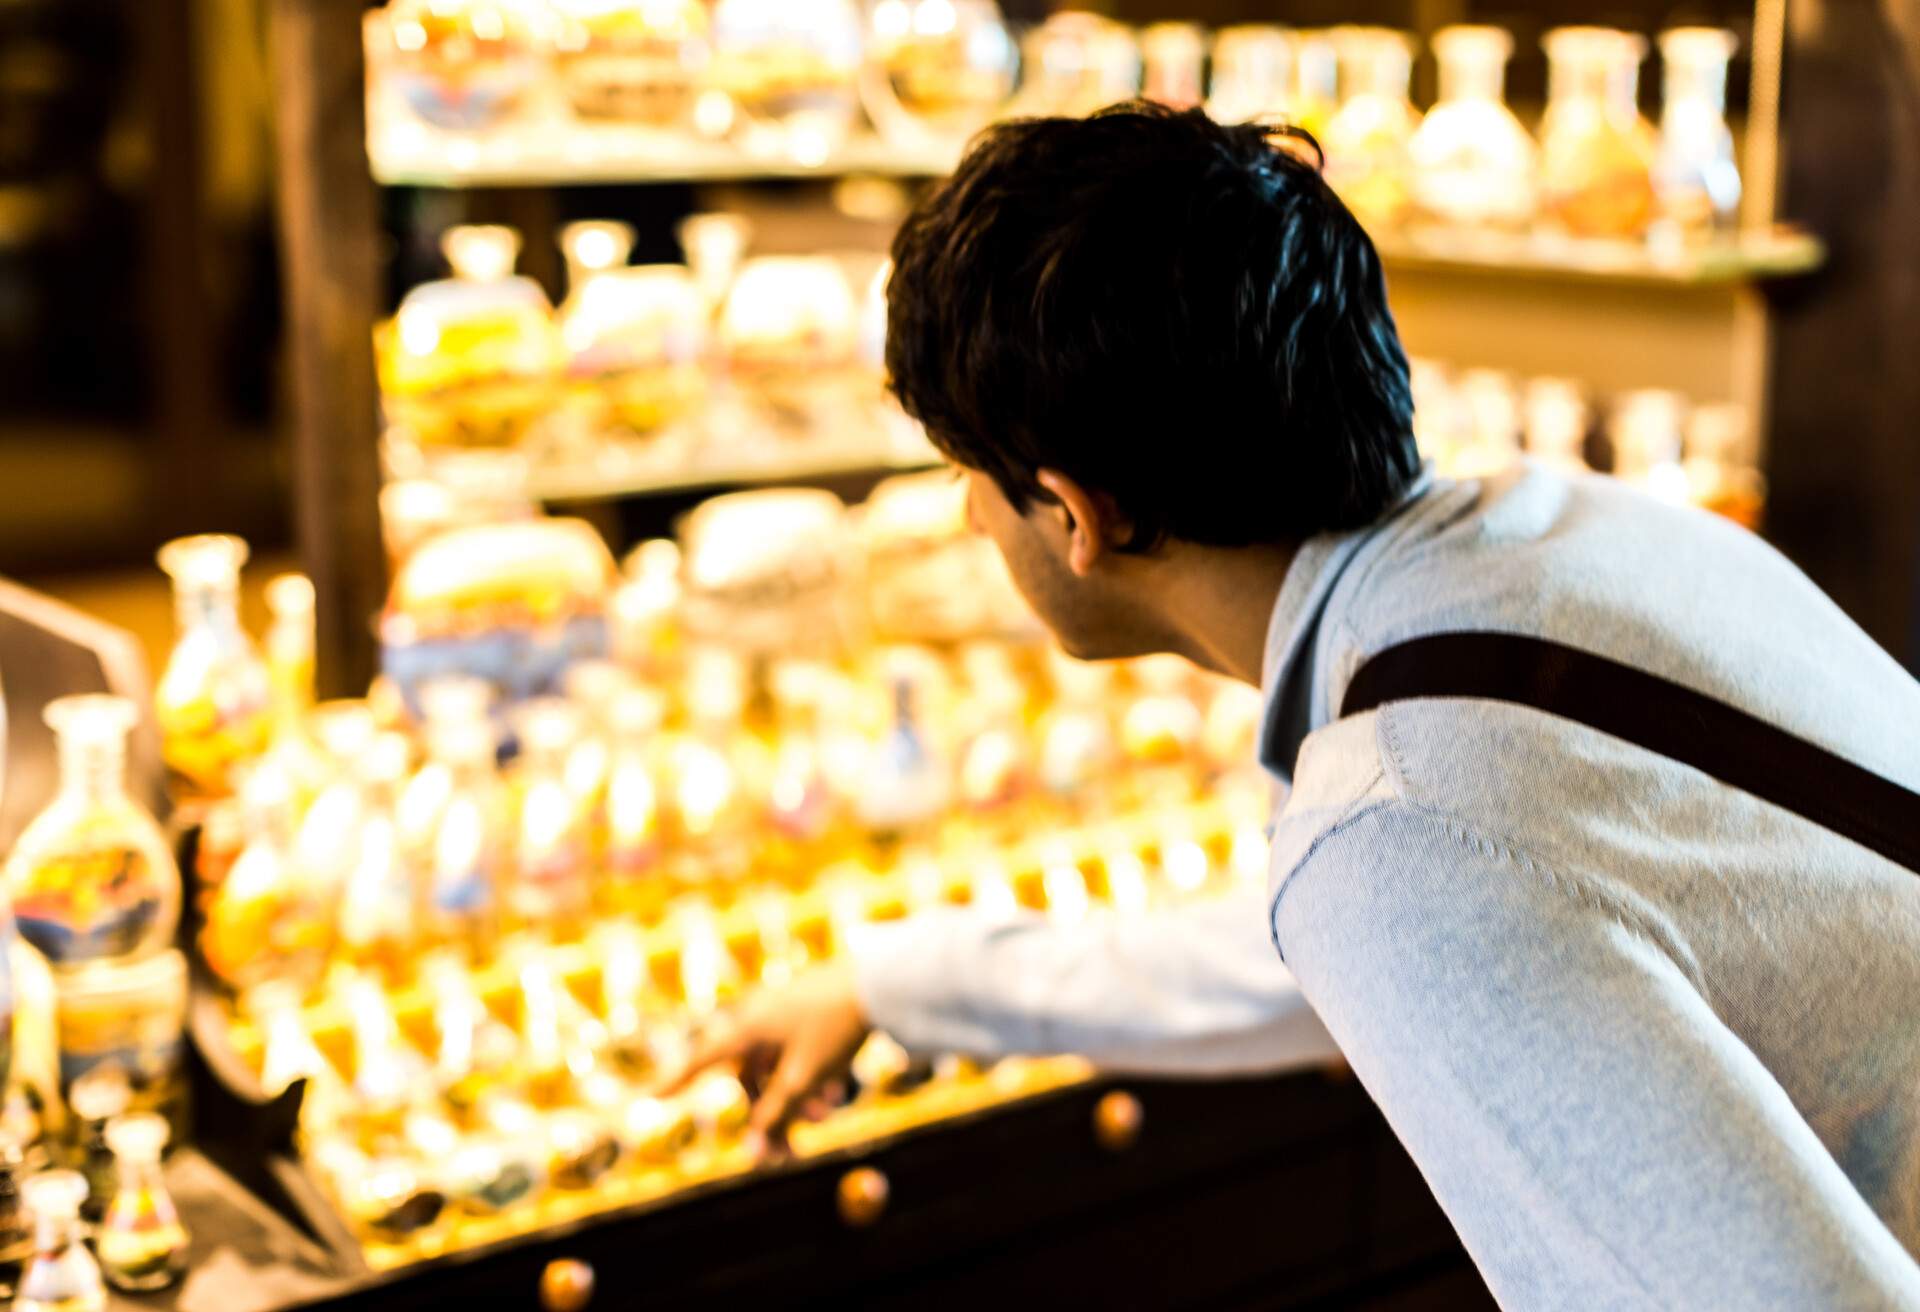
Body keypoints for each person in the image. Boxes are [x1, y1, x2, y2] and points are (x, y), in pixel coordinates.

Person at [666, 103, 1920, 1307]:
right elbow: (1327, 950)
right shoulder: (1586, 533)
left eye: (966, 476)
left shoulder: (1400, 827)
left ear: (1076, 513)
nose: (963, 516)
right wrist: (898, 981)